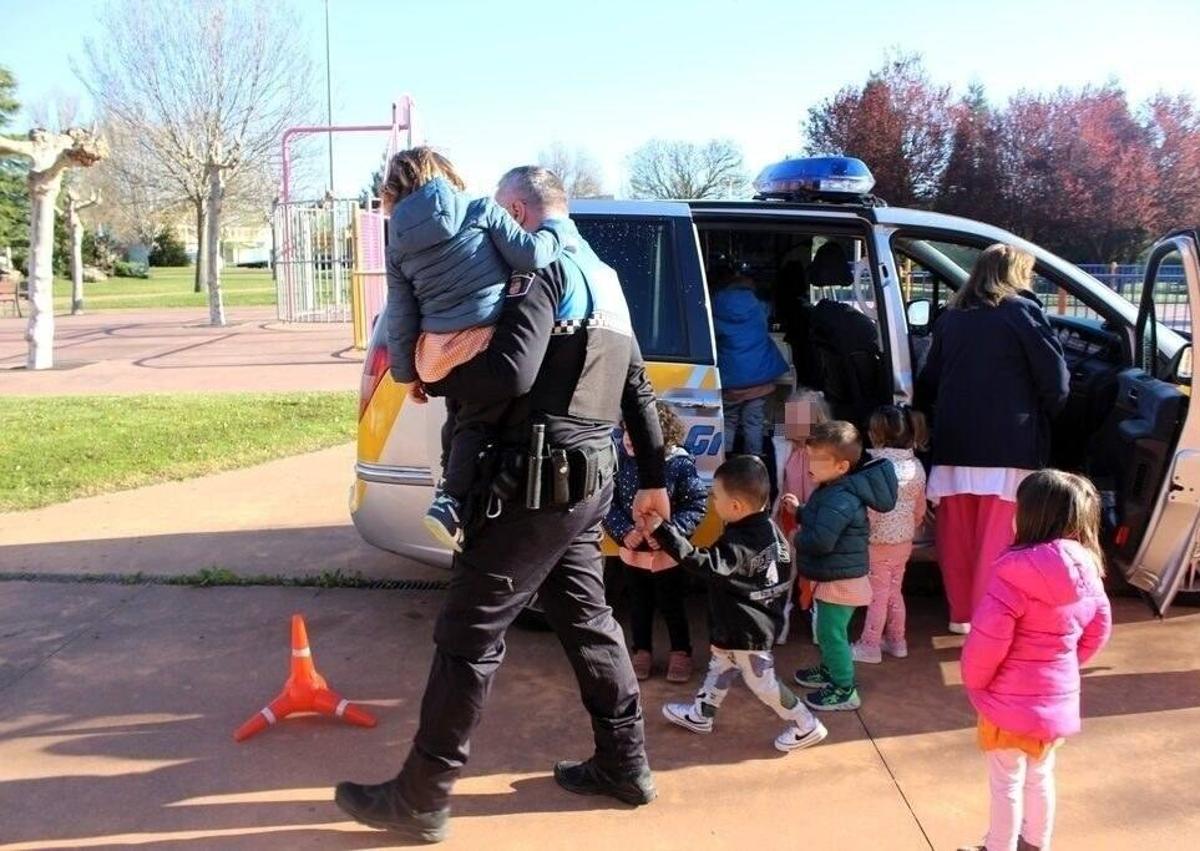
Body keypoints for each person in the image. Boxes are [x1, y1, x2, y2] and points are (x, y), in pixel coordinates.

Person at [335, 167, 671, 843]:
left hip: (532, 483)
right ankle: (624, 763)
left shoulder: (539, 270)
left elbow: (510, 374)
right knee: (587, 619)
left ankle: (422, 793)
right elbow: (636, 383)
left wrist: (437, 376)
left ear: (516, 210)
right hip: (589, 479)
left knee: (468, 633)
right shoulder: (603, 274)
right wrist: (655, 475)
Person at [381, 147, 574, 552]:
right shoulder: (481, 209)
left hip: (436, 352)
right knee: (478, 418)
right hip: (482, 337)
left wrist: (407, 374)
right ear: (444, 174)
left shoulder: (396, 241)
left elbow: (401, 314)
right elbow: (532, 255)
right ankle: (451, 501)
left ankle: (449, 491)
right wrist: (556, 230)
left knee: (458, 411)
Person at [916, 243, 1070, 635]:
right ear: (1016, 273)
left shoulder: (952, 316)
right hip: (1008, 444)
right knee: (998, 537)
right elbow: (1056, 380)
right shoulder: (1022, 311)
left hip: (954, 442)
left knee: (956, 536)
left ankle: (960, 613)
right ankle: (990, 619)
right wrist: (1049, 415)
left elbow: (929, 379)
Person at [958, 470, 1112, 851]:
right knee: (1040, 775)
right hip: (1055, 701)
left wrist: (976, 682)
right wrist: (1066, 666)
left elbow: (986, 642)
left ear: (1030, 516)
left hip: (1007, 702)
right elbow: (1099, 628)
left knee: (1005, 781)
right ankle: (1035, 843)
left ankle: (998, 846)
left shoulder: (1011, 575)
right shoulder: (1089, 571)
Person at [642, 455, 829, 753]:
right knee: (720, 667)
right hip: (742, 625)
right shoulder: (767, 530)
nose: (713, 502)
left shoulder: (741, 543)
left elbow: (706, 564)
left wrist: (665, 532)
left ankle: (806, 724)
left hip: (747, 631)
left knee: (762, 684)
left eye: (716, 497)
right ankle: (701, 714)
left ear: (736, 507)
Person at [785, 421, 897, 711]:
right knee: (827, 632)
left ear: (841, 466)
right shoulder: (834, 489)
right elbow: (822, 517)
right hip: (836, 577)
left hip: (842, 581)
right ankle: (830, 670)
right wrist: (800, 512)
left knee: (832, 634)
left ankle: (845, 688)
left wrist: (798, 537)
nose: (809, 464)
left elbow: (822, 538)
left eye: (815, 460)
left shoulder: (841, 497)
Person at [604, 402, 709, 683]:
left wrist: (668, 534)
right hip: (632, 552)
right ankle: (641, 652)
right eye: (626, 430)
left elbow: (696, 505)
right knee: (638, 604)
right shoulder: (620, 459)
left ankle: (681, 652)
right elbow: (607, 502)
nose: (627, 437)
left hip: (667, 556)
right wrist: (624, 532)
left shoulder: (678, 465)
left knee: (672, 604)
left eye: (636, 432)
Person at [852, 405, 929, 664]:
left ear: (876, 435)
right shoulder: (915, 465)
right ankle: (897, 641)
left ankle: (870, 644)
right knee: (894, 592)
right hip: (903, 541)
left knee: (877, 595)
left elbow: (870, 510)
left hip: (878, 543)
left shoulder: (875, 468)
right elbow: (920, 508)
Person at [711, 257, 790, 458]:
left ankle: (725, 459)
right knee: (754, 422)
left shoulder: (715, 305)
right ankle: (755, 458)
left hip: (731, 381)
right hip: (758, 380)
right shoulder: (759, 306)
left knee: (728, 420)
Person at [771, 387, 832, 644]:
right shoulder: (780, 444)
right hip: (787, 521)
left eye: (798, 418)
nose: (790, 423)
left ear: (815, 422)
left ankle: (820, 623)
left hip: (816, 521)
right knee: (785, 571)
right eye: (789, 417)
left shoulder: (825, 450)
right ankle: (780, 622)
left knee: (816, 574)